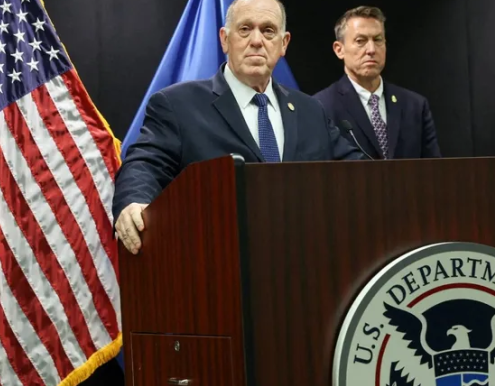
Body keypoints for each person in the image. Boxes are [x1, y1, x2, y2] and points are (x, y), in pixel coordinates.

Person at [113, 0, 363, 254]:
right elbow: (145, 164)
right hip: (218, 260)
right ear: (224, 39)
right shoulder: (178, 105)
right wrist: (134, 200)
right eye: (245, 29)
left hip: (302, 259)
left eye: (268, 31)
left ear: (283, 43)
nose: (256, 41)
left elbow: (360, 173)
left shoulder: (310, 111)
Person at [313, 6, 442, 160]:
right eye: (360, 41)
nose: (371, 49)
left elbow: (434, 169)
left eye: (378, 39)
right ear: (339, 50)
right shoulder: (321, 107)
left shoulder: (415, 106)